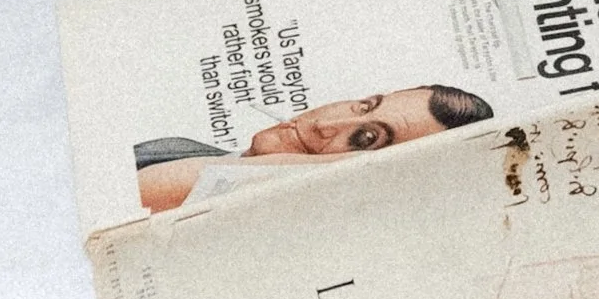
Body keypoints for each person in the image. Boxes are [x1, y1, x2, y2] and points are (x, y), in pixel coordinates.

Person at [134, 81, 494, 212]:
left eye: (366, 139)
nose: (323, 125)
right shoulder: (179, 146)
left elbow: (131, 201)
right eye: (364, 106)